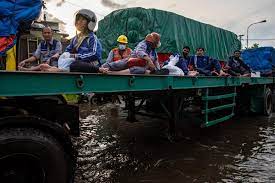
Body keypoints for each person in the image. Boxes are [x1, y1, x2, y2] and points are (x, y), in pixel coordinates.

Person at [63, 9, 108, 73]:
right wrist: (62, 56)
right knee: (57, 62)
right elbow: (68, 51)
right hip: (78, 63)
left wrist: (76, 56)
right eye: (78, 19)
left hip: (91, 64)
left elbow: (95, 54)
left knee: (75, 64)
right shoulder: (75, 39)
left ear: (90, 22)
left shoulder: (92, 38)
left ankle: (98, 69)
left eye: (83, 19)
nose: (79, 22)